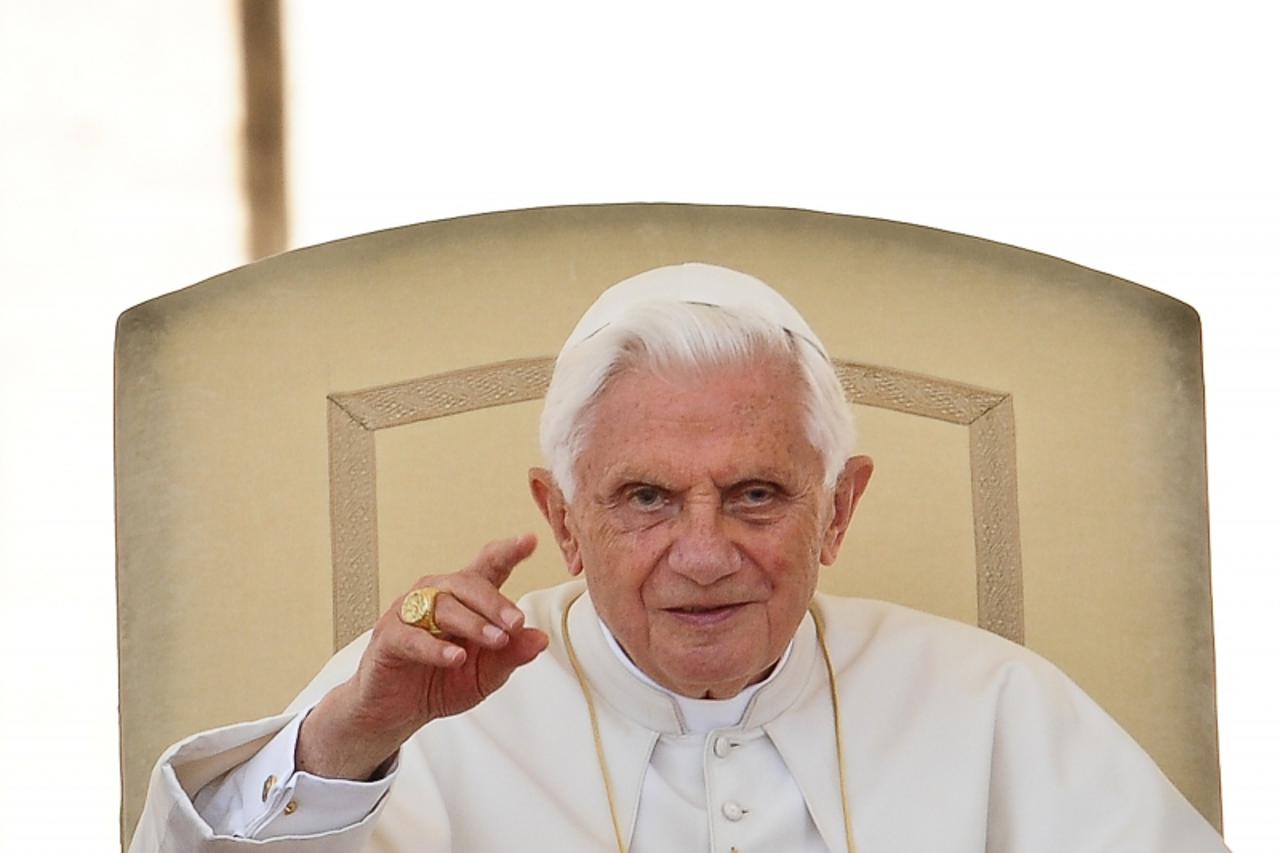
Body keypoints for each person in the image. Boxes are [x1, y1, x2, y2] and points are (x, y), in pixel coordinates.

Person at [129, 263, 1230, 852]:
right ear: (561, 520)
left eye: (755, 495)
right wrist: (346, 744)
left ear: (837, 510)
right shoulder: (402, 713)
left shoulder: (990, 706)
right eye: (645, 499)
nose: (702, 555)